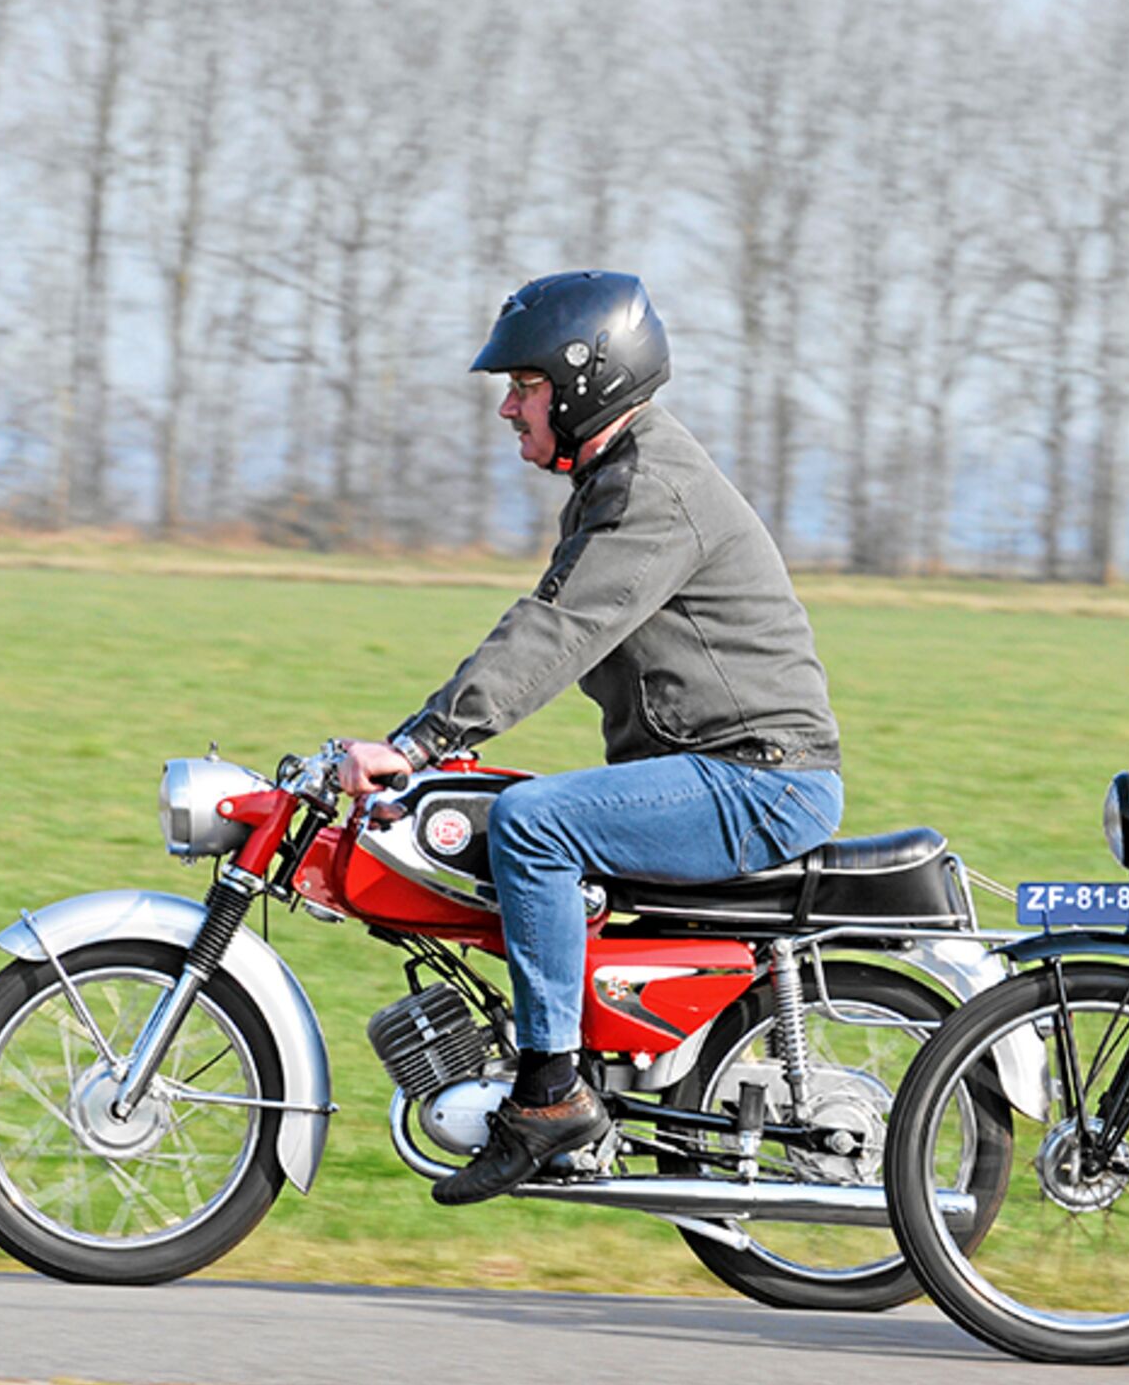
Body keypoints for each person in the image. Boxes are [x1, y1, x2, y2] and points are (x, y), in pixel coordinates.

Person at [338, 271, 844, 1206]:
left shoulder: (653, 488)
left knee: (533, 824)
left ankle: (547, 1095)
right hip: (719, 771)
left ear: (582, 385)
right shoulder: (618, 478)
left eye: (522, 387)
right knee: (504, 811)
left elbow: (557, 630)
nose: (505, 408)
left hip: (759, 781)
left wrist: (416, 744)